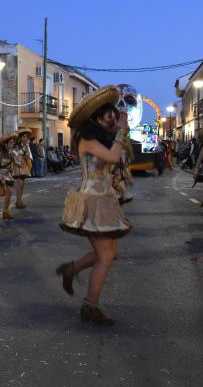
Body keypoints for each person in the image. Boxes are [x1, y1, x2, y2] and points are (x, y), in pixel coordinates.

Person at [56, 86, 131, 325]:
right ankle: (91, 304)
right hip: (92, 201)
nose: (112, 119)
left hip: (105, 199)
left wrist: (121, 135)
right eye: (108, 116)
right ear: (95, 118)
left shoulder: (100, 139)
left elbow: (118, 160)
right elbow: (112, 158)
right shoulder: (86, 140)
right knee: (106, 256)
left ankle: (72, 269)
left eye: (113, 116)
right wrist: (121, 132)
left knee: (110, 253)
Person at [11, 128, 33, 209]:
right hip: (18, 165)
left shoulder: (26, 146)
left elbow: (27, 156)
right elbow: (13, 155)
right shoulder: (16, 146)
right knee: (20, 183)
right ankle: (18, 201)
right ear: (20, 138)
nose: (26, 138)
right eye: (24, 137)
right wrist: (17, 162)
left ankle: (20, 201)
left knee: (22, 184)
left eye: (26, 137)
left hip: (24, 165)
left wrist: (27, 147)